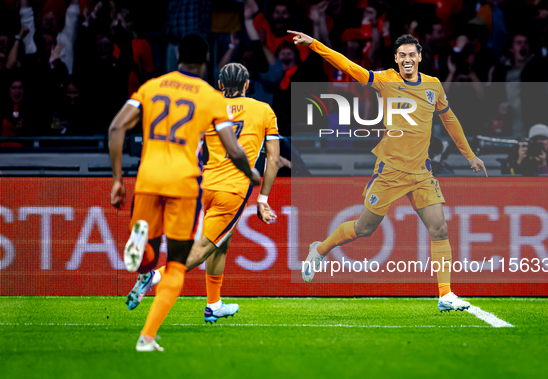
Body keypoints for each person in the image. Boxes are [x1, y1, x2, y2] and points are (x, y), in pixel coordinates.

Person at [287, 30, 487, 312]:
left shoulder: (434, 86)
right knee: (363, 228)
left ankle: (445, 295)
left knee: (440, 229)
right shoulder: (385, 80)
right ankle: (319, 249)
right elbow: (349, 67)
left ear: (419, 57)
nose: (407, 59)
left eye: (411, 55)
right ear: (396, 59)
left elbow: (450, 120)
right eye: (402, 55)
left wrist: (470, 155)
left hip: (421, 173)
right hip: (390, 171)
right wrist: (315, 44)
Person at [109, 35, 260, 352]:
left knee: (150, 253)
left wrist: (118, 179)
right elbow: (232, 148)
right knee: (176, 265)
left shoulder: (152, 86)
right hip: (183, 183)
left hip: (147, 178)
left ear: (176, 55)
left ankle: (144, 260)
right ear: (206, 60)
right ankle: (146, 338)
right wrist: (251, 173)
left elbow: (116, 128)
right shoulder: (210, 96)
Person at [124, 62, 281, 323]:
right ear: (247, 85)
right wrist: (263, 199)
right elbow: (273, 160)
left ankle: (214, 305)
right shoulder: (264, 110)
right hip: (232, 190)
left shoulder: (209, 104)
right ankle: (154, 277)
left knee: (222, 241)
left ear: (219, 85)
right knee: (206, 246)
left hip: (204, 184)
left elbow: (193, 144)